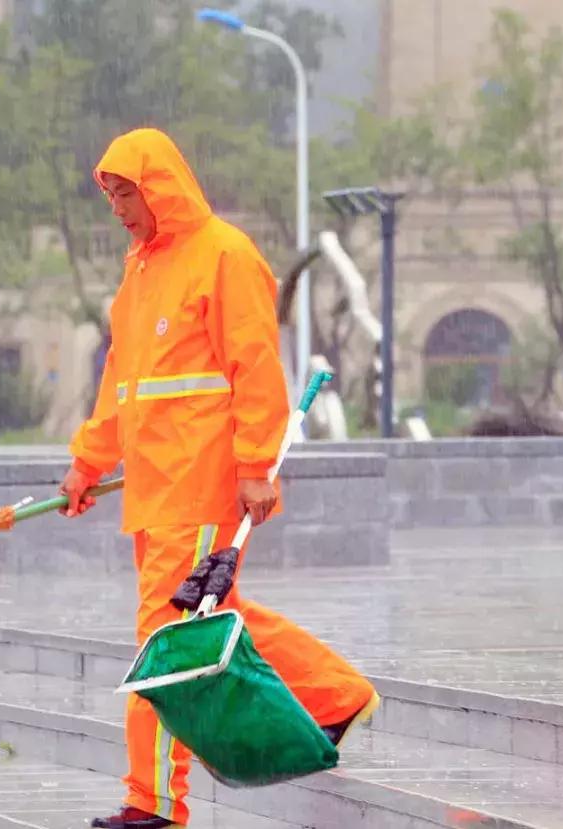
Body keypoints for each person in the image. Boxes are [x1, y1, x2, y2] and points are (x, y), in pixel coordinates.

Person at [60, 127, 378, 829]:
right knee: (219, 617)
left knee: (168, 640)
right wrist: (88, 462)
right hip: (152, 488)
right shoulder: (139, 273)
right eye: (109, 195)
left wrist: (257, 466)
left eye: (124, 193)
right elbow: (124, 382)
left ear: (159, 187)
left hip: (200, 484)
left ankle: (154, 803)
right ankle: (335, 696)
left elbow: (256, 367)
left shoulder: (225, 255)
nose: (116, 208)